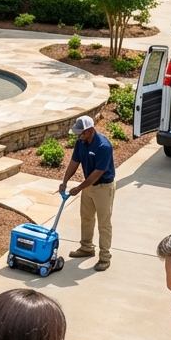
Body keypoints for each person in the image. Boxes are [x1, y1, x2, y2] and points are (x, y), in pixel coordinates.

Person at [60, 114, 116, 272]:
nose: (80, 136)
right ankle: (86, 248)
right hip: (88, 186)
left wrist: (79, 187)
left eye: (82, 133)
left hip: (104, 187)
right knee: (86, 218)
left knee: (104, 223)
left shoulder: (103, 146)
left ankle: (105, 257)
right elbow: (74, 162)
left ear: (91, 129)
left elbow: (97, 173)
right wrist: (64, 181)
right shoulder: (81, 142)